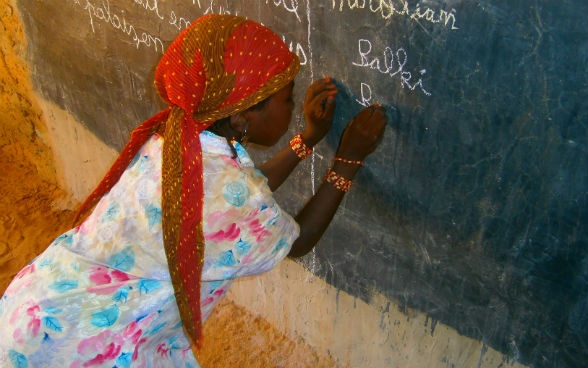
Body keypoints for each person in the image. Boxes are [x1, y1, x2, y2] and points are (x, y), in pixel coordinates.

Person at [0, 14, 386, 368]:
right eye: (287, 100)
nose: (293, 106)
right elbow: (294, 241)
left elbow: (237, 199)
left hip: (41, 307)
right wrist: (347, 160)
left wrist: (309, 138)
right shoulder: (226, 186)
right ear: (240, 117)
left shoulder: (176, 136)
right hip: (91, 344)